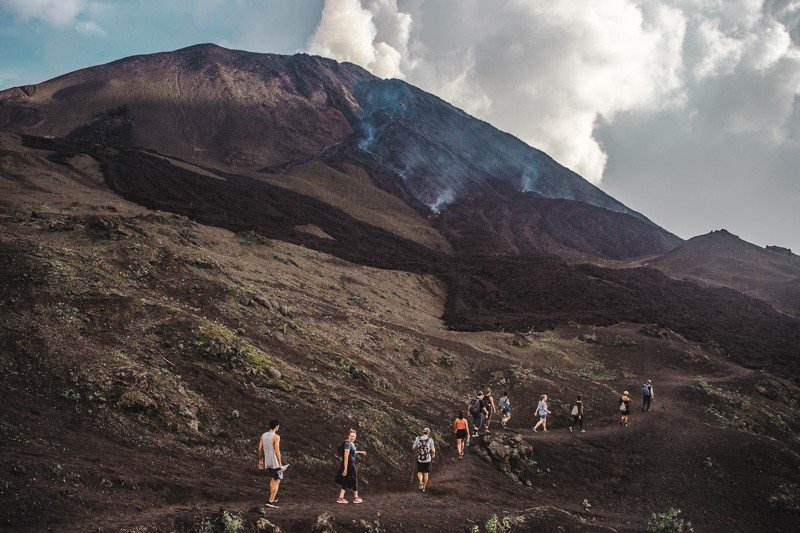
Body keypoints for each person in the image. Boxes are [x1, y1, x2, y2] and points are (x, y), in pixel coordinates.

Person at [258, 419, 287, 508]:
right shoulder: (276, 437)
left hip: (268, 461)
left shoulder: (264, 435)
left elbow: (260, 449)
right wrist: (281, 465)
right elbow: (277, 451)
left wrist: (260, 460)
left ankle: (272, 498)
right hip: (275, 463)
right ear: (276, 426)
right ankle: (270, 501)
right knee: (277, 480)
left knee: (273, 479)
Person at [336, 429, 366, 504]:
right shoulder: (347, 444)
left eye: (354, 436)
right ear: (348, 436)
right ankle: (356, 498)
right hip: (349, 464)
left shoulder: (351, 443)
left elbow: (352, 452)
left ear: (356, 436)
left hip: (350, 463)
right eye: (351, 436)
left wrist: (360, 452)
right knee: (354, 479)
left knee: (346, 480)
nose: (353, 437)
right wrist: (345, 468)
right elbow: (346, 456)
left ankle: (341, 498)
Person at [412, 427, 436, 492]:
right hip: (427, 459)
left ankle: (420, 481)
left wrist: (416, 448)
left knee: (419, 472)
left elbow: (413, 447)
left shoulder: (418, 439)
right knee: (426, 473)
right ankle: (424, 487)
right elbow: (433, 449)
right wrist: (433, 454)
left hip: (419, 458)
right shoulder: (430, 440)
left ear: (423, 432)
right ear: (428, 433)